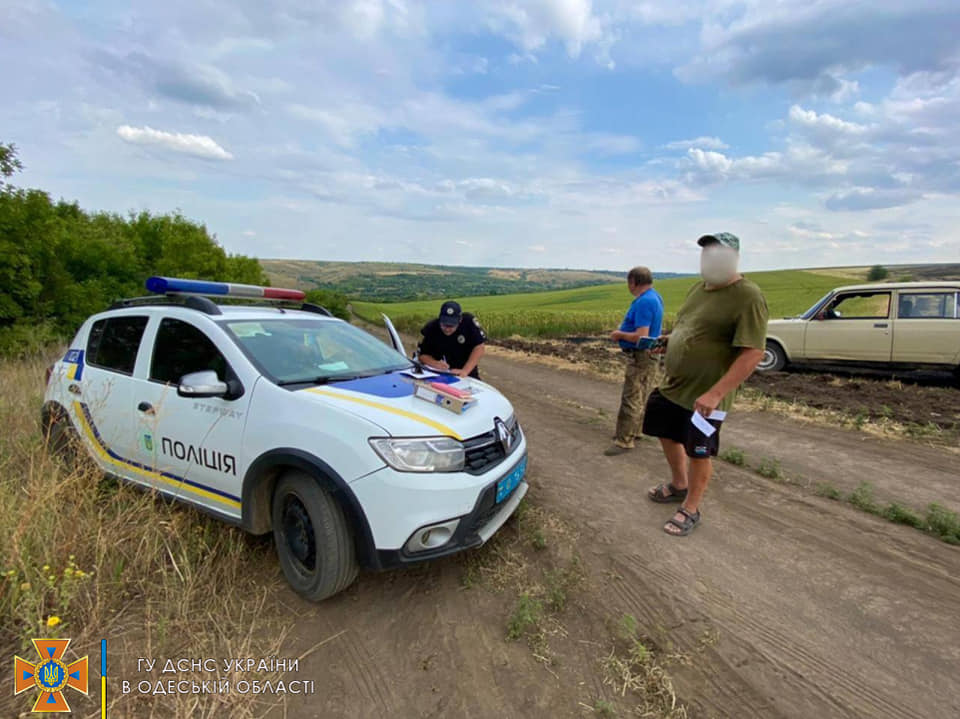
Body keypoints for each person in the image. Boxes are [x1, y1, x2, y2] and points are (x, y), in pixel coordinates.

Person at [642, 232, 768, 536]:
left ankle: (691, 508)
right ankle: (679, 484)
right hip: (676, 386)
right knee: (663, 427)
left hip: (707, 395)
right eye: (706, 253)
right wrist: (670, 341)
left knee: (698, 450)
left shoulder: (748, 297)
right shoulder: (698, 289)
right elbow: (692, 327)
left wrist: (715, 393)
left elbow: (753, 352)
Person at [604, 266, 664, 456]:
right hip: (651, 354)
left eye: (628, 282)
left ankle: (623, 440)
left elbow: (641, 335)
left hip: (640, 355)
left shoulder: (644, 302)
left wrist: (619, 334)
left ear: (633, 282)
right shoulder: (655, 297)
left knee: (631, 396)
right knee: (642, 393)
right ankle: (635, 431)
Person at [417, 300, 487, 378]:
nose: (447, 329)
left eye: (451, 326)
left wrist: (465, 371)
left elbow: (479, 347)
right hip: (439, 375)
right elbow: (422, 355)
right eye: (444, 325)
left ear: (460, 320)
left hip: (467, 374)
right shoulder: (431, 328)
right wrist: (434, 363)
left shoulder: (469, 323)